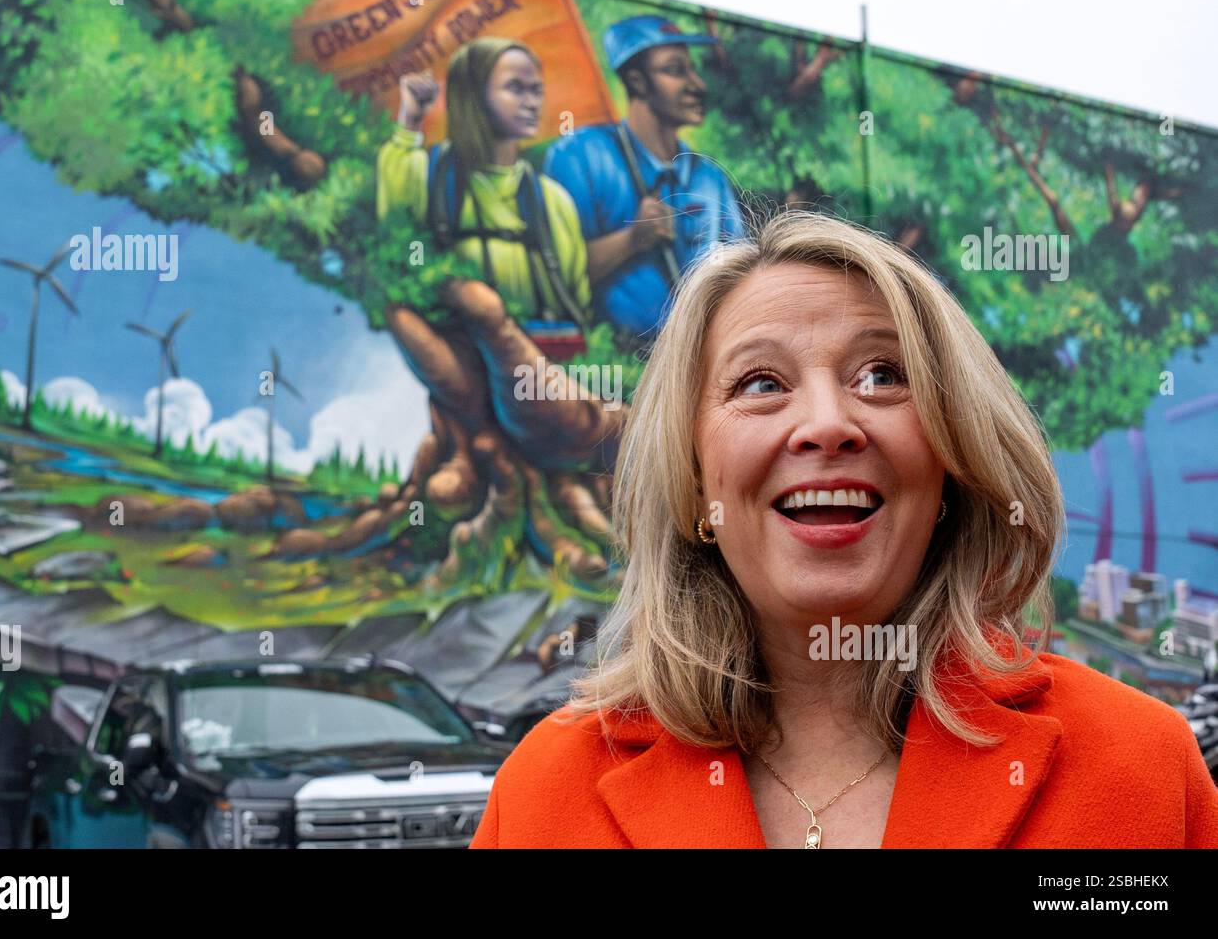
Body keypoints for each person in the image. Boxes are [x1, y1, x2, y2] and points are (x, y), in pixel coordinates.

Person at [469, 210, 1218, 849]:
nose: (828, 424)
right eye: (760, 383)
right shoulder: (544, 795)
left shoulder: (1137, 766)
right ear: (695, 482)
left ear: (951, 464)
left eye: (883, 375)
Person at [376, 36, 591, 356]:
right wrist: (410, 121)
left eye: (536, 90)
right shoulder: (431, 174)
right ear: (473, 95)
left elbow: (579, 300)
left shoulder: (553, 199)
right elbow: (396, 221)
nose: (532, 102)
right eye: (515, 88)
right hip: (462, 364)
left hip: (543, 376)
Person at [543, 14, 745, 347]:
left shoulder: (710, 178)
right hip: (617, 371)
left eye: (692, 69)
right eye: (676, 70)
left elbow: (741, 277)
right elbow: (552, 279)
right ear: (637, 81)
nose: (698, 85)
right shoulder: (580, 157)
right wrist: (632, 239)